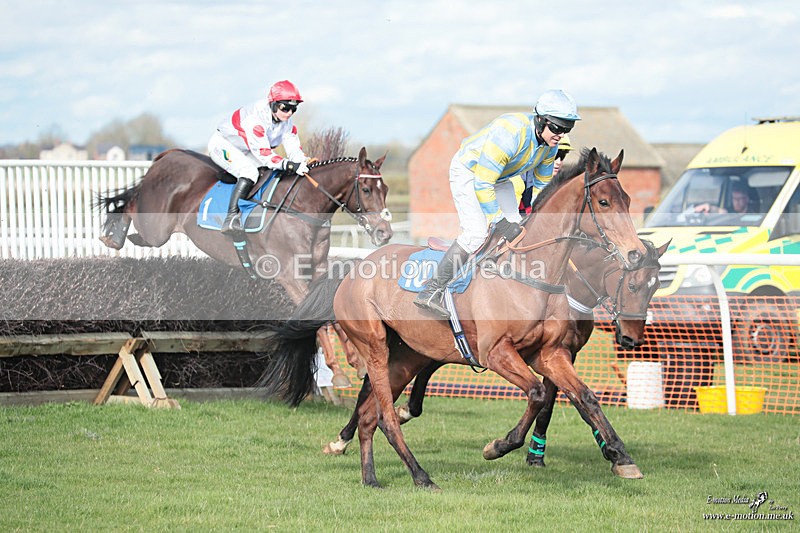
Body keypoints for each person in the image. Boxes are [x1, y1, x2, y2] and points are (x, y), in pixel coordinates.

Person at [414, 89, 581, 317]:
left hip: (499, 178)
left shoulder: (549, 147)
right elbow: (483, 183)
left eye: (567, 129)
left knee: (521, 227)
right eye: (557, 127)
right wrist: (498, 222)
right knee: (477, 233)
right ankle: (431, 290)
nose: (561, 134)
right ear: (540, 120)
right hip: (470, 173)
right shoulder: (510, 133)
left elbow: (542, 187)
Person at [208, 80, 311, 233]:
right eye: (285, 107)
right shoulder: (255, 119)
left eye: (293, 109)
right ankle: (231, 218)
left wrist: (303, 163)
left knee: (271, 172)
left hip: (248, 148)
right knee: (249, 172)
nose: (289, 113)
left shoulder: (287, 123)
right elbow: (265, 155)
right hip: (224, 144)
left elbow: (294, 150)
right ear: (273, 104)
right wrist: (289, 165)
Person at [518, 134, 574, 215]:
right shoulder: (520, 180)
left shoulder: (564, 186)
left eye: (562, 156)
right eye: (555, 155)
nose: (558, 162)